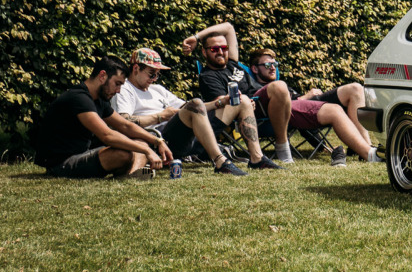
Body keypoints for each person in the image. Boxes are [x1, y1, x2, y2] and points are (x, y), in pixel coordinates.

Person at [112, 48, 250, 176]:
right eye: (151, 74)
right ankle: (220, 161)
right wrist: (160, 117)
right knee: (195, 103)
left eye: (157, 75)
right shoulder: (125, 89)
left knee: (235, 101)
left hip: (177, 138)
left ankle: (257, 158)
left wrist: (220, 102)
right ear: (136, 68)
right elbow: (124, 122)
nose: (154, 79)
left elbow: (190, 107)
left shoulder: (157, 89)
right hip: (155, 139)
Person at [31, 56, 173, 178]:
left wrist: (157, 141)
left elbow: (125, 125)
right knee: (123, 153)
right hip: (61, 164)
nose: (118, 91)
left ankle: (132, 175)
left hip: (82, 156)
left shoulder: (99, 100)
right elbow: (107, 135)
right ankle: (130, 174)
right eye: (117, 84)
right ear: (102, 76)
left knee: (141, 141)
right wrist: (147, 150)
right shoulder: (79, 98)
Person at [183, 22, 299, 163]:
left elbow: (229, 27)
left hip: (276, 105)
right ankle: (282, 146)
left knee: (320, 102)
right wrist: (244, 102)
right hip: (254, 108)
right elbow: (223, 103)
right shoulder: (208, 76)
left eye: (224, 48)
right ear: (204, 52)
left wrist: (196, 37)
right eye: (214, 49)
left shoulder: (232, 63)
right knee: (279, 86)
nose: (220, 52)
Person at [247, 48, 378, 167]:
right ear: (255, 69)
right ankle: (369, 154)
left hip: (303, 102)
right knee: (334, 110)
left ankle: (366, 147)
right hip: (288, 108)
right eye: (268, 64)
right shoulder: (256, 86)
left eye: (275, 64)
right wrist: (305, 97)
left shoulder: (278, 82)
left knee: (355, 89)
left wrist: (305, 97)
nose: (273, 68)